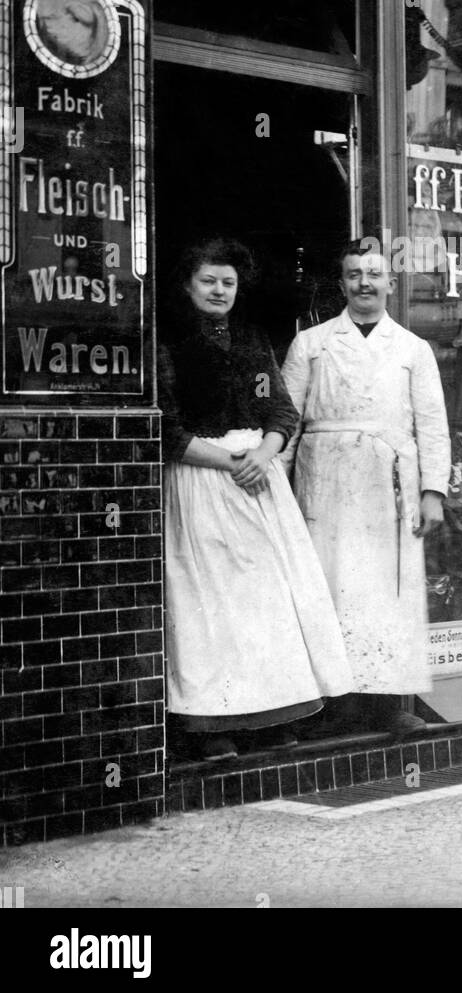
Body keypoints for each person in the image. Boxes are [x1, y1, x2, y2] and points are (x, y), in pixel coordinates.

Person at [158, 238, 353, 760]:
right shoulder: (167, 341)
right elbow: (166, 429)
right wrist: (231, 462)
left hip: (259, 483)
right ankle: (214, 725)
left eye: (228, 282)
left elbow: (282, 412)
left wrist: (263, 454)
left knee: (267, 604)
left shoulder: (251, 340)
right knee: (213, 605)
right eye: (208, 281)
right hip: (202, 481)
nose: (219, 290)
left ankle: (272, 716)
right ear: (187, 285)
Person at [281, 239, 451, 740]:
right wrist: (278, 490)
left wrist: (433, 492)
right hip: (324, 483)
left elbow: (432, 424)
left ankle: (385, 706)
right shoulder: (310, 344)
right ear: (341, 284)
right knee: (327, 588)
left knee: (385, 594)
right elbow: (285, 422)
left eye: (373, 274)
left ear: (390, 283)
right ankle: (328, 708)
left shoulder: (413, 349)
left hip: (388, 489)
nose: (364, 283)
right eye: (354, 274)